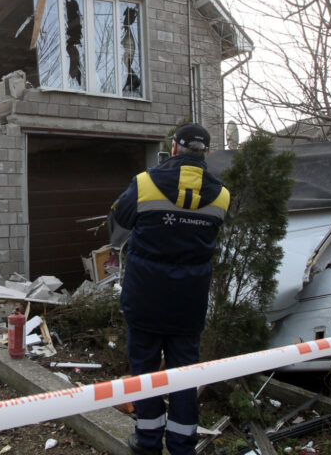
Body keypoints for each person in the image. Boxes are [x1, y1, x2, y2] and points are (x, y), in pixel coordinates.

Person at [110, 123, 230, 455]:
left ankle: (148, 442)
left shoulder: (145, 183)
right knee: (185, 373)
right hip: (189, 303)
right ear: (205, 152)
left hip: (144, 299)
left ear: (174, 148)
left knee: (144, 370)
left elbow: (117, 226)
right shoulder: (221, 194)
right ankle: (182, 445)